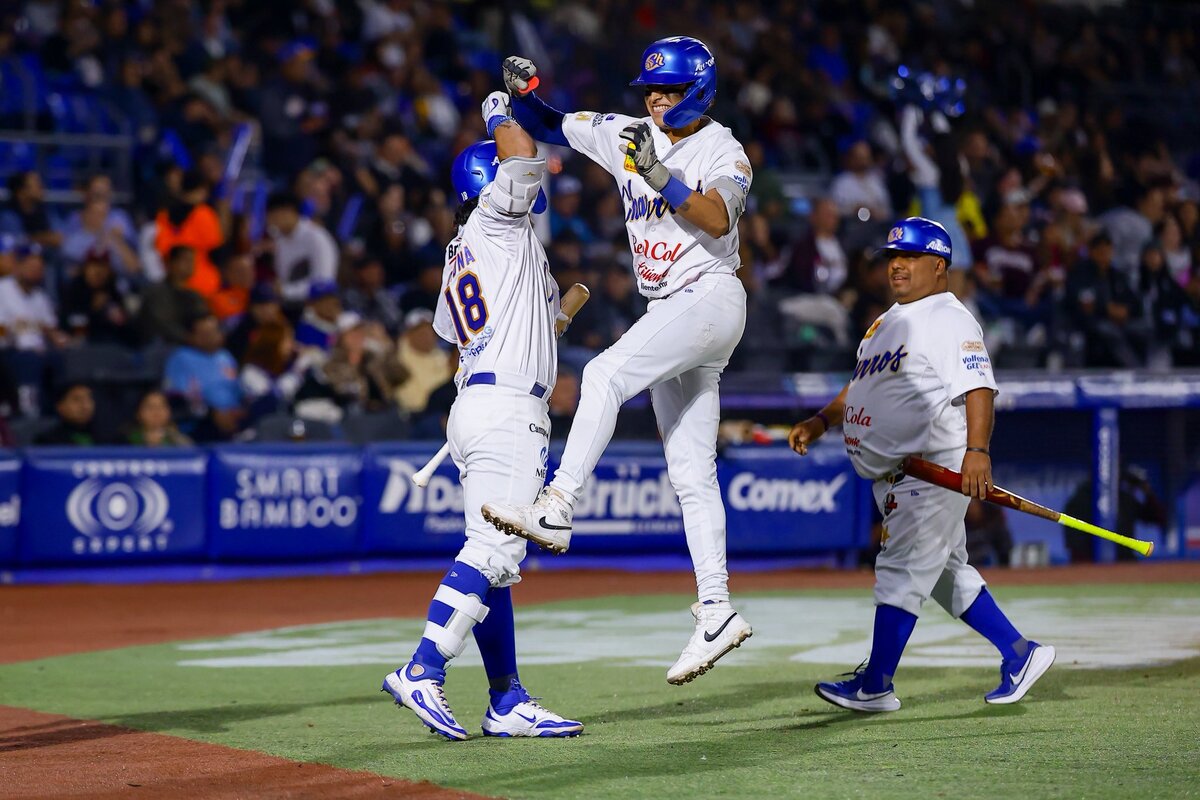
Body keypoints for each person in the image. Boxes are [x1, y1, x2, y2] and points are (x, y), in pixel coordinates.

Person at [483, 37, 754, 686]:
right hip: (674, 308)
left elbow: (717, 218)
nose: (656, 99)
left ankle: (558, 502)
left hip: (710, 295)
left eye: (670, 89)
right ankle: (716, 608)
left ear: (699, 90)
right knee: (691, 471)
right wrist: (524, 94)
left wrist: (659, 175)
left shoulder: (724, 149)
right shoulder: (627, 131)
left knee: (603, 373)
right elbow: (551, 125)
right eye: (650, 89)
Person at [788, 217, 1054, 712]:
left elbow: (978, 388)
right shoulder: (887, 321)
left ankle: (875, 685)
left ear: (939, 265)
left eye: (909, 257)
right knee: (947, 573)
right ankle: (1020, 652)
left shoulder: (948, 318)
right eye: (892, 258)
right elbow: (861, 386)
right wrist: (822, 420)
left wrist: (978, 451)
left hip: (930, 469)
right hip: (897, 474)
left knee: (900, 570)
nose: (897, 266)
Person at [380, 96, 582, 741]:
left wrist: (554, 319)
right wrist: (501, 112)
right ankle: (423, 667)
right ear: (487, 184)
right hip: (506, 411)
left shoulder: (464, 249)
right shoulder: (498, 221)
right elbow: (524, 155)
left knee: (496, 562)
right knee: (496, 551)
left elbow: (474, 330)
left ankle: (506, 700)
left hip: (479, 402)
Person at [163, 313, 244, 441]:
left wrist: (238, 411)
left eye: (215, 331)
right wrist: (212, 413)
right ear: (191, 336)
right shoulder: (181, 358)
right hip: (199, 422)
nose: (213, 337)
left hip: (233, 418)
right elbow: (177, 398)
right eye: (206, 334)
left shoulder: (225, 356)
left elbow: (237, 390)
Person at [265, 192, 339, 306]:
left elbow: (323, 282)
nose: (271, 222)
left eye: (274, 217)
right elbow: (283, 278)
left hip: (319, 304)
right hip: (290, 303)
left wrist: (286, 291)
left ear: (288, 212)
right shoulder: (279, 239)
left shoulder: (316, 237)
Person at [139, 246, 210, 345]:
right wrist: (189, 339)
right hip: (160, 344)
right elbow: (161, 325)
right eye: (185, 260)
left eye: (192, 261)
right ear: (170, 263)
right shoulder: (156, 291)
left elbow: (204, 317)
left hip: (192, 344)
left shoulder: (194, 295)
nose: (190, 264)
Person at [34, 383, 101, 446]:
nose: (85, 406)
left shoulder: (104, 436)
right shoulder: (47, 441)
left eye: (89, 399)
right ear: (60, 406)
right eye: (77, 399)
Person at [126, 389, 193, 446]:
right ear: (138, 413)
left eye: (162, 406)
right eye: (150, 407)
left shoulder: (181, 441)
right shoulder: (127, 441)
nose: (156, 412)